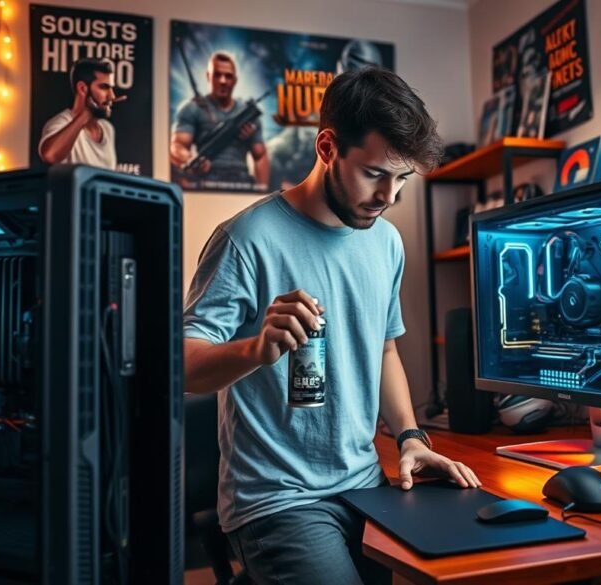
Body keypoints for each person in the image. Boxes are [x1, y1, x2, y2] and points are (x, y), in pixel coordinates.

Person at [183, 67, 481, 585]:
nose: (389, 195)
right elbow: (182, 367)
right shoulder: (246, 238)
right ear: (327, 147)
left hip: (364, 484)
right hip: (276, 498)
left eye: (402, 179)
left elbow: (383, 350)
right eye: (374, 174)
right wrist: (256, 350)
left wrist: (411, 437)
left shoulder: (386, 242)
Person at [170, 51, 270, 190]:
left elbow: (260, 156)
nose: (223, 81)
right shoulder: (192, 108)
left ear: (235, 80)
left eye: (228, 76)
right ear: (208, 76)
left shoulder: (248, 114)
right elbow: (177, 146)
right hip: (206, 182)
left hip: (241, 183)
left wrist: (261, 193)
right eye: (217, 75)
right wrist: (191, 160)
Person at [38, 59, 124, 168]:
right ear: (82, 89)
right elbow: (50, 155)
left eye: (111, 88)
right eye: (104, 87)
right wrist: (86, 114)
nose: (112, 96)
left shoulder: (107, 129)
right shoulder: (61, 123)